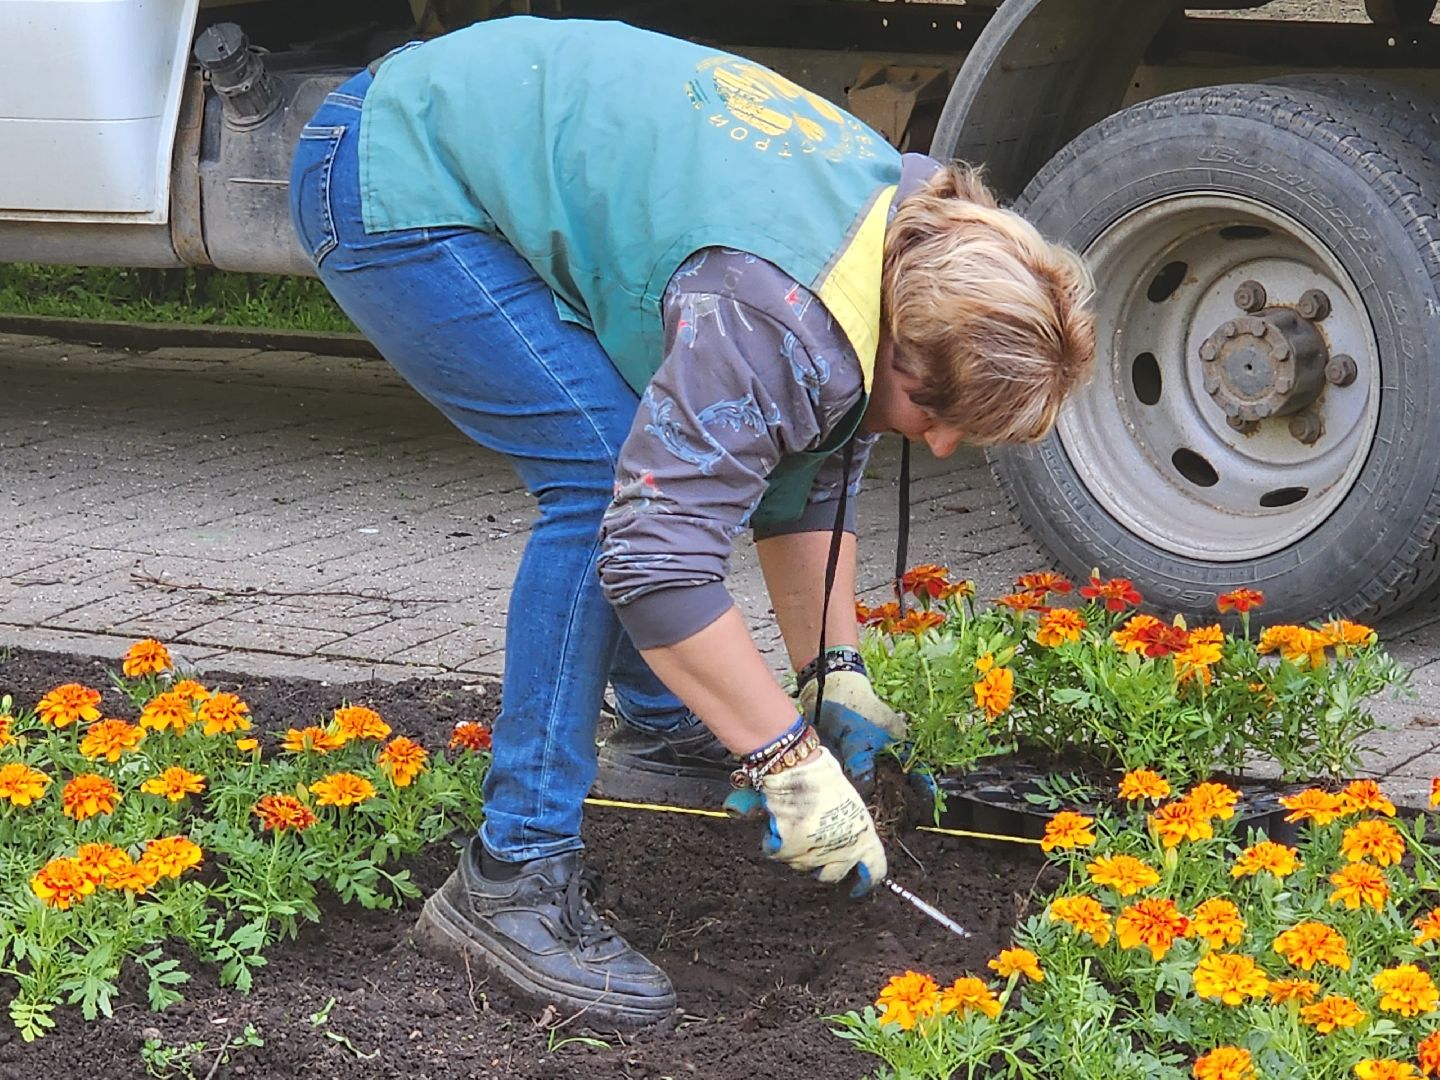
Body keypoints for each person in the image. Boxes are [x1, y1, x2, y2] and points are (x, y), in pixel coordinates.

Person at [289, 16, 1095, 1027]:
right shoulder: (777, 314)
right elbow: (658, 561)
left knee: (641, 467)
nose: (936, 447)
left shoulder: (904, 246)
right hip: (394, 173)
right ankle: (511, 878)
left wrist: (833, 675)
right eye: (937, 415)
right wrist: (786, 762)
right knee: (601, 485)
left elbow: (804, 471)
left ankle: (665, 731)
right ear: (904, 348)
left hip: (485, 133)